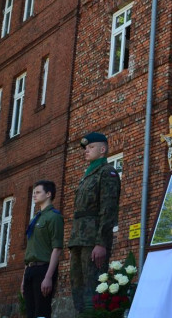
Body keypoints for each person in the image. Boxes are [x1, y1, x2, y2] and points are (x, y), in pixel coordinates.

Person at [68, 132, 121, 314]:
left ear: (103, 149)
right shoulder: (88, 174)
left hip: (93, 242)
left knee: (93, 289)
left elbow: (108, 209)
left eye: (90, 147)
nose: (86, 151)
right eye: (86, 148)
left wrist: (101, 242)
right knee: (77, 288)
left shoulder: (108, 172)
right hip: (78, 240)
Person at [22, 180, 64, 318]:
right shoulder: (35, 219)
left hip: (43, 269)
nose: (34, 195)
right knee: (30, 313)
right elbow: (31, 249)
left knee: (42, 312)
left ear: (48, 194)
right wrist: (24, 277)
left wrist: (48, 277)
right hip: (30, 269)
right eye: (34, 192)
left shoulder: (54, 217)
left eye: (38, 192)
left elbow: (56, 249)